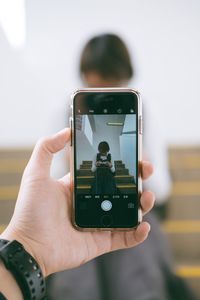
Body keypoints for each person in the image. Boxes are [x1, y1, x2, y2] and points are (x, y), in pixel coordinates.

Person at [47, 34, 197, 300]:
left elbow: (161, 188)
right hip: (79, 208)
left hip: (132, 207)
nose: (105, 91)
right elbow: (50, 183)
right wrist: (69, 170)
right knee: (78, 276)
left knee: (135, 263)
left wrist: (140, 166)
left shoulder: (144, 111)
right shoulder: (66, 111)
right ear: (84, 77)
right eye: (96, 84)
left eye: (113, 83)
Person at [0, 128, 154, 300]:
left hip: (122, 204)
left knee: (137, 244)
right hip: (79, 205)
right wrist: (31, 244)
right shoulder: (57, 200)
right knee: (80, 280)